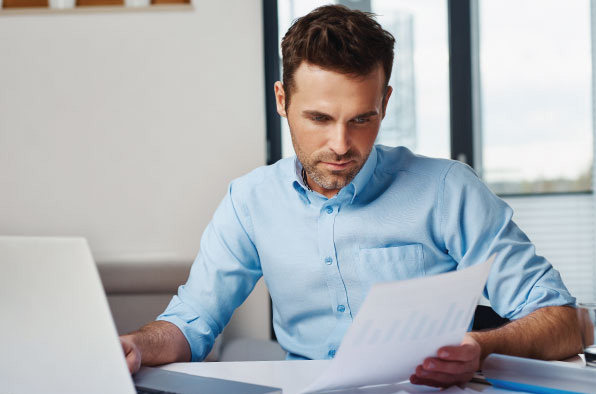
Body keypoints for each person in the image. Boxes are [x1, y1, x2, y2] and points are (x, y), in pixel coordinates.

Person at [119, 5, 582, 388]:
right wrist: (137, 345)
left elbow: (560, 322)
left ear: (385, 102)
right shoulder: (249, 202)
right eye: (319, 118)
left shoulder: (448, 190)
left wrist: (480, 347)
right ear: (282, 100)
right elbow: (192, 320)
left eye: (362, 119)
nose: (341, 145)